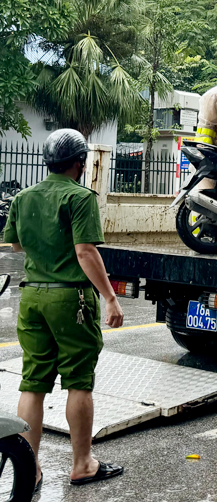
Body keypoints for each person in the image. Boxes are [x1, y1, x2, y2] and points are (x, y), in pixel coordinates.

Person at [4, 129, 124, 490]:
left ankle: (31, 468)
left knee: (34, 382)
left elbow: (15, 244)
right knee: (78, 381)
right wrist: (110, 297)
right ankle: (83, 463)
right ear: (79, 163)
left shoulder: (24, 197)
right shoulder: (79, 197)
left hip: (32, 297)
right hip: (69, 298)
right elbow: (86, 252)